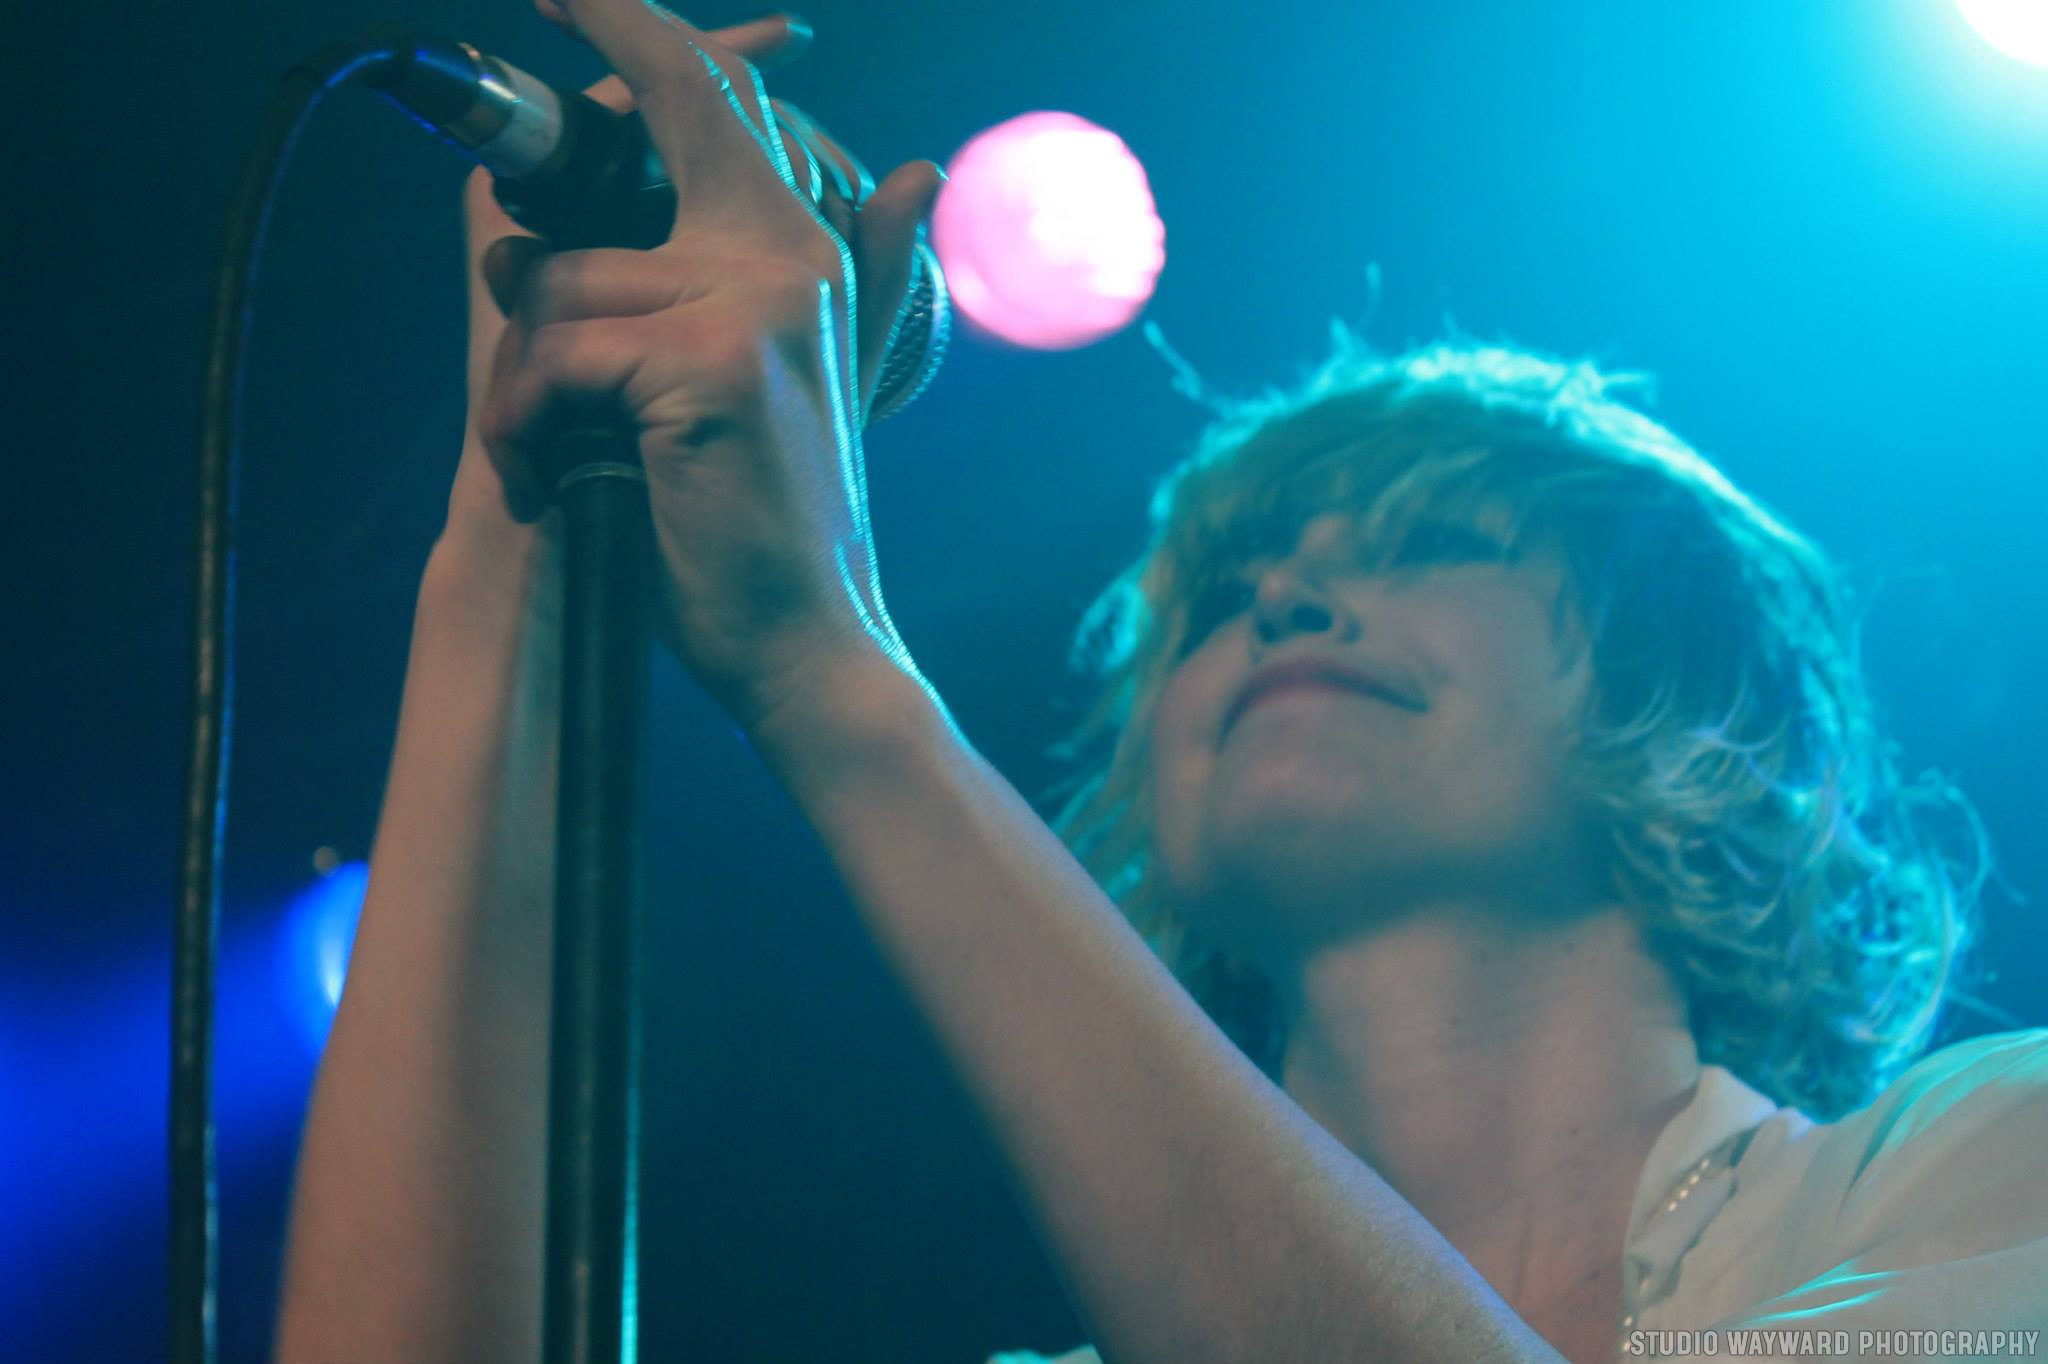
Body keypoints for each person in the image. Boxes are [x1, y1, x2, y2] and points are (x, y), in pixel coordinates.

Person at [273, 4, 2048, 1362]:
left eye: (1430, 542)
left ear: (1711, 722)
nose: (1286, 595)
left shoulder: (1984, 1159)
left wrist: (833, 669)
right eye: (1224, 593)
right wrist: (516, 538)